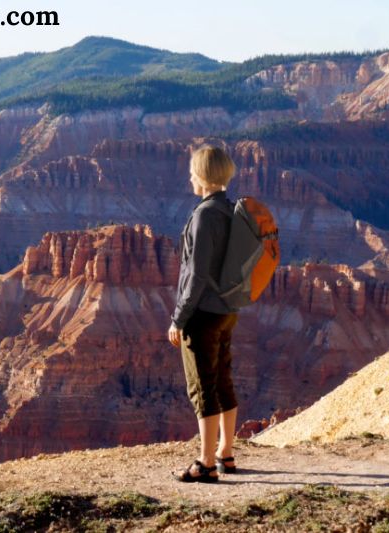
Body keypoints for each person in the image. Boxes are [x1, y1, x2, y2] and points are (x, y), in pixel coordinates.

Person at [168, 144, 239, 483]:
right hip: (228, 309)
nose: (189, 175)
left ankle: (206, 463)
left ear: (204, 176)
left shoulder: (204, 214)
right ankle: (226, 452)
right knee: (223, 380)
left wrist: (179, 318)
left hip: (204, 313)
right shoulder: (230, 209)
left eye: (193, 170)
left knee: (203, 388)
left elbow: (195, 274)